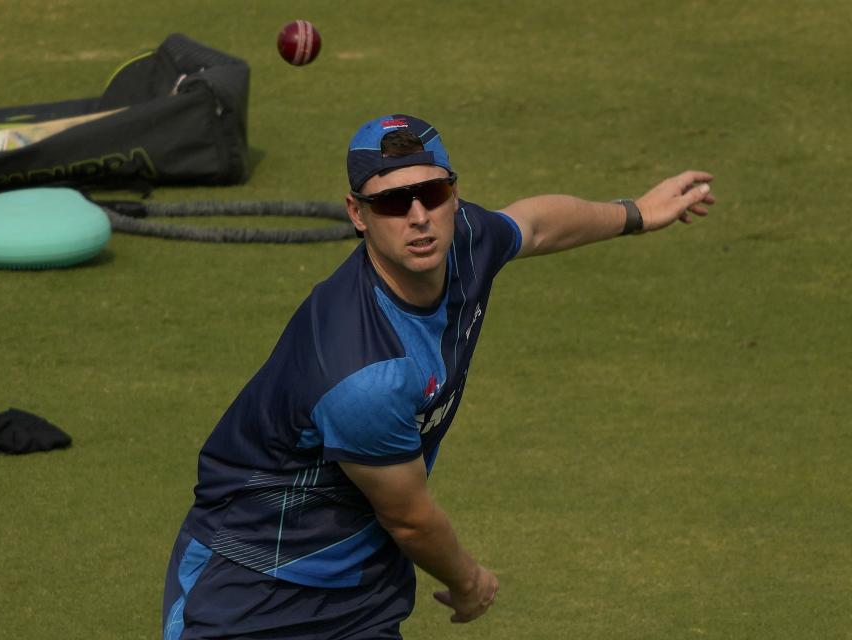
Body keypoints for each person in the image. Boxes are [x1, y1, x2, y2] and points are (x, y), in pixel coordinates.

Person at [162, 114, 715, 640]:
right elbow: (409, 519)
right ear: (357, 214)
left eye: (433, 193)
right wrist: (469, 582)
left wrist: (636, 212)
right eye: (392, 202)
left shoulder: (466, 238)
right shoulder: (362, 369)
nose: (419, 216)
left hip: (361, 591)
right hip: (251, 591)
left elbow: (536, 224)